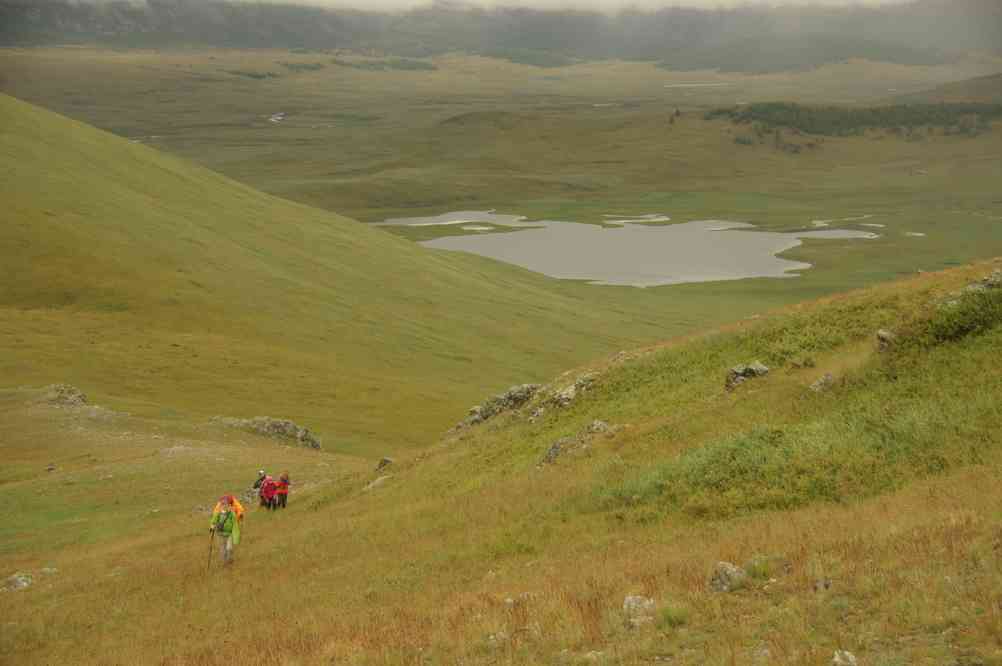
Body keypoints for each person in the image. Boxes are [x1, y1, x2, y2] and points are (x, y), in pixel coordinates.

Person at [209, 495, 244, 565]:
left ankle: (230, 560)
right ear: (221, 505)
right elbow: (214, 520)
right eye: (223, 504)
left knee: (229, 548)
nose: (224, 506)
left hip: (229, 534)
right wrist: (212, 526)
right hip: (220, 534)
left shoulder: (232, 514)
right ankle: (225, 562)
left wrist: (236, 537)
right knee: (222, 549)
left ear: (229, 505)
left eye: (226, 504)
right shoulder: (218, 513)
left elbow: (235, 525)